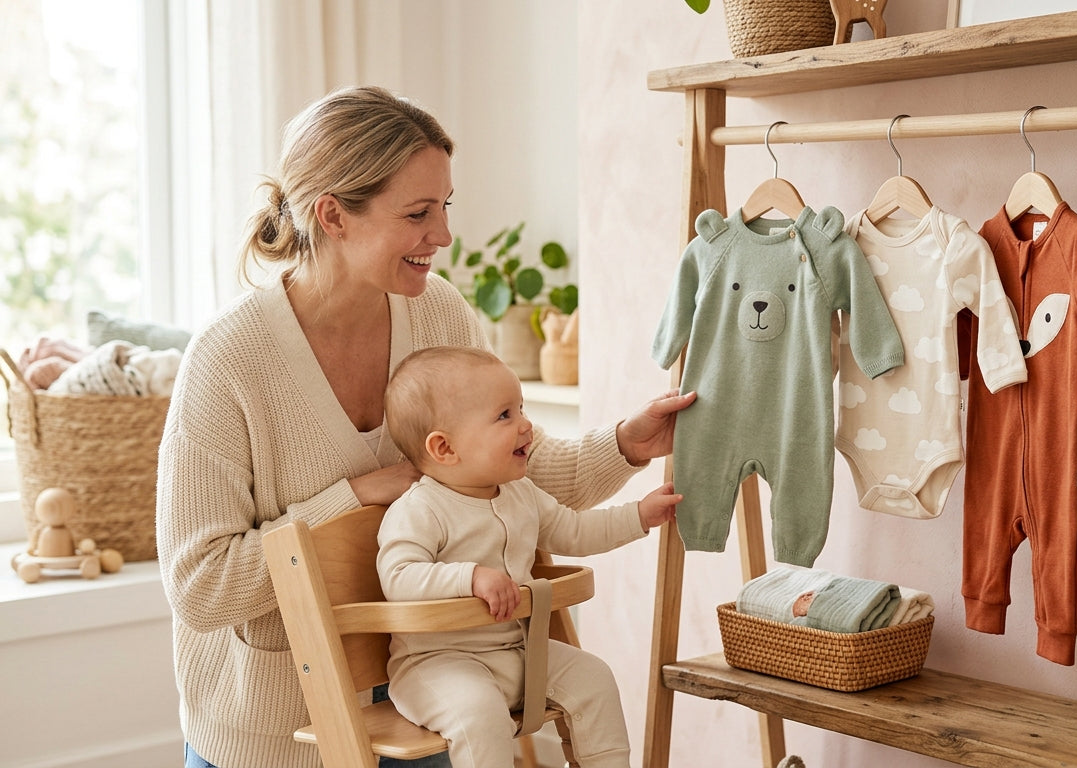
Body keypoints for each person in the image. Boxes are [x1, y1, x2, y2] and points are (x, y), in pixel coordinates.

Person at [155, 85, 695, 768]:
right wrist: (350, 497)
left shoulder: (439, 313)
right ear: (333, 216)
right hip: (273, 736)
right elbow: (200, 587)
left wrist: (625, 445)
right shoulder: (228, 360)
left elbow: (504, 469)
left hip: (429, 705)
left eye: (444, 208)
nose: (441, 235)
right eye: (417, 213)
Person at [377, 346, 679, 768]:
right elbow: (399, 576)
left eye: (521, 408)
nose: (526, 425)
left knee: (594, 679)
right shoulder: (419, 509)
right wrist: (470, 577)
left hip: (516, 652)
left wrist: (640, 516)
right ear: (444, 448)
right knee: (478, 715)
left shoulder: (521, 494)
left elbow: (575, 530)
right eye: (505, 415)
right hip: (436, 666)